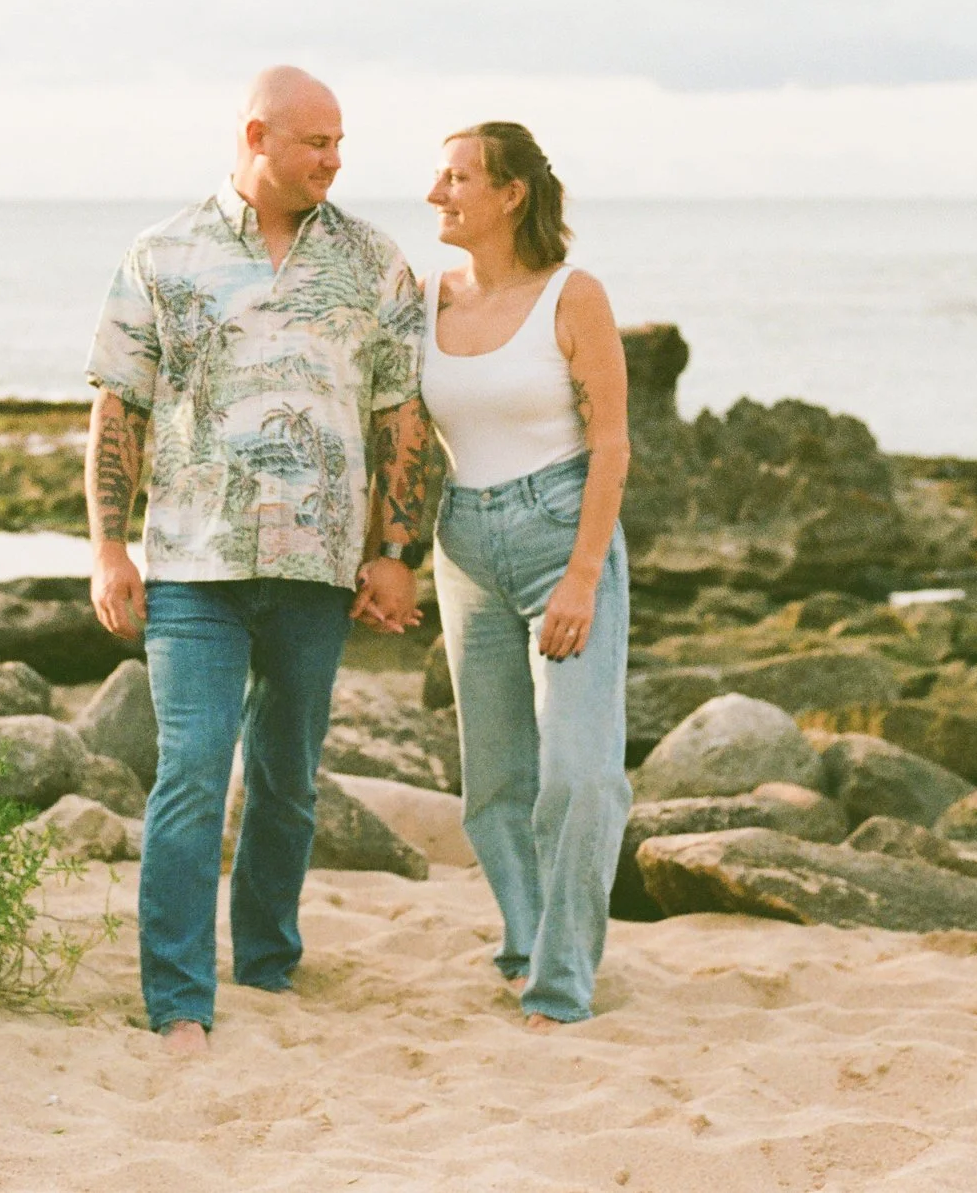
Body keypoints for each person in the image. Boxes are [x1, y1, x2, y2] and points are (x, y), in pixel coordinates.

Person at [84, 65, 433, 1052]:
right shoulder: (162, 254)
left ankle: (269, 960)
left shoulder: (374, 262)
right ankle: (179, 996)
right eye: (315, 142)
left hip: (317, 569)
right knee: (192, 770)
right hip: (193, 565)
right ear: (256, 135)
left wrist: (394, 549)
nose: (333, 158)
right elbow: (119, 408)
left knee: (287, 777)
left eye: (338, 144)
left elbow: (400, 414)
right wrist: (109, 548)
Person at [419, 121, 631, 1029]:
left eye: (459, 177)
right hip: (463, 538)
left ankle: (562, 980)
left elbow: (614, 441)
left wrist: (584, 575)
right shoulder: (428, 300)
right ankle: (529, 938)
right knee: (496, 782)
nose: (439, 193)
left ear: (510, 196)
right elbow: (404, 440)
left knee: (580, 775)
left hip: (561, 535)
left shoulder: (572, 297)